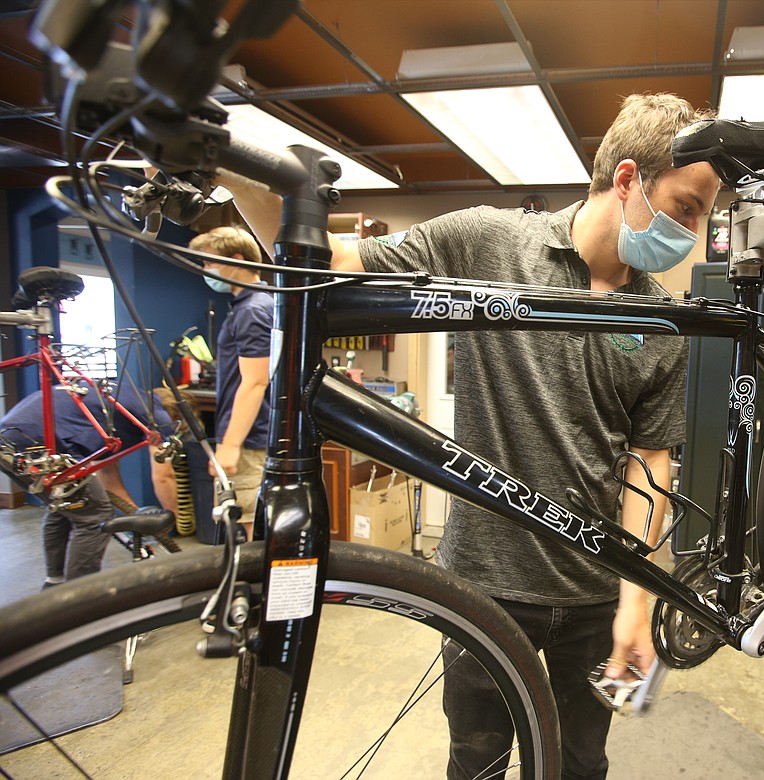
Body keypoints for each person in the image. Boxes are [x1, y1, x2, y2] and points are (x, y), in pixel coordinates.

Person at [233, 92, 722, 779]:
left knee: (580, 764)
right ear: (629, 179)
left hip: (593, 593)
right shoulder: (487, 240)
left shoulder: (661, 321)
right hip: (483, 587)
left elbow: (651, 461)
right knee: (477, 764)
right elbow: (334, 262)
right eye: (687, 208)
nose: (693, 234)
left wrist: (635, 602)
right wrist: (237, 169)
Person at [0, 383, 179, 585]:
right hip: (39, 442)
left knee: (65, 506)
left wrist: (135, 517)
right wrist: (171, 519)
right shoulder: (156, 413)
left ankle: (55, 583)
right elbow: (164, 476)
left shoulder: (124, 396)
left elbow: (106, 472)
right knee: (95, 517)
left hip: (8, 440)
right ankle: (81, 598)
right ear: (176, 414)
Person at [188, 226, 273, 542]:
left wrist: (230, 446)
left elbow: (254, 382)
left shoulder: (253, 310)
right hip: (250, 435)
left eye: (209, 263)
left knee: (243, 532)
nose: (206, 271)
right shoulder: (253, 305)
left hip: (250, 441)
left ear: (237, 260)